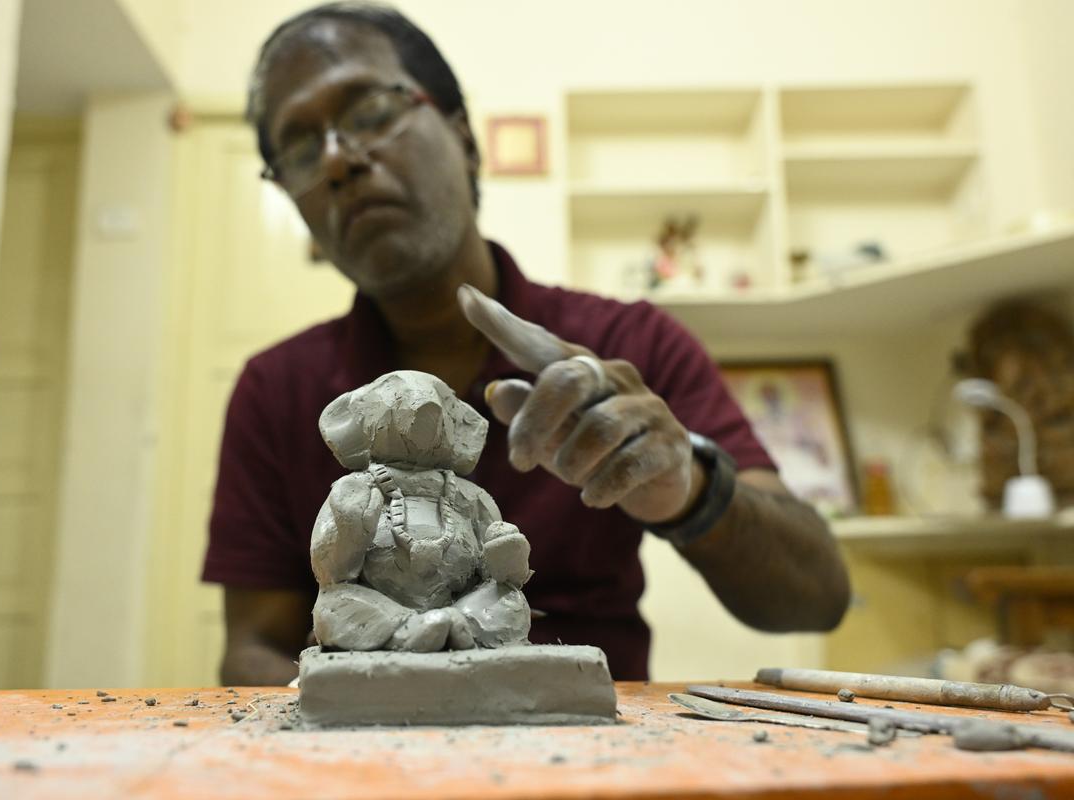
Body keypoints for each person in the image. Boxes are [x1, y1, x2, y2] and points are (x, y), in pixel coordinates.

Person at [202, 1, 850, 685]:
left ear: (464, 138)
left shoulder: (624, 346)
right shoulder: (277, 390)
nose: (337, 160)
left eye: (369, 113)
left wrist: (686, 488)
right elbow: (251, 648)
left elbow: (818, 594)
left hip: (593, 755)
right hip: (375, 753)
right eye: (300, 150)